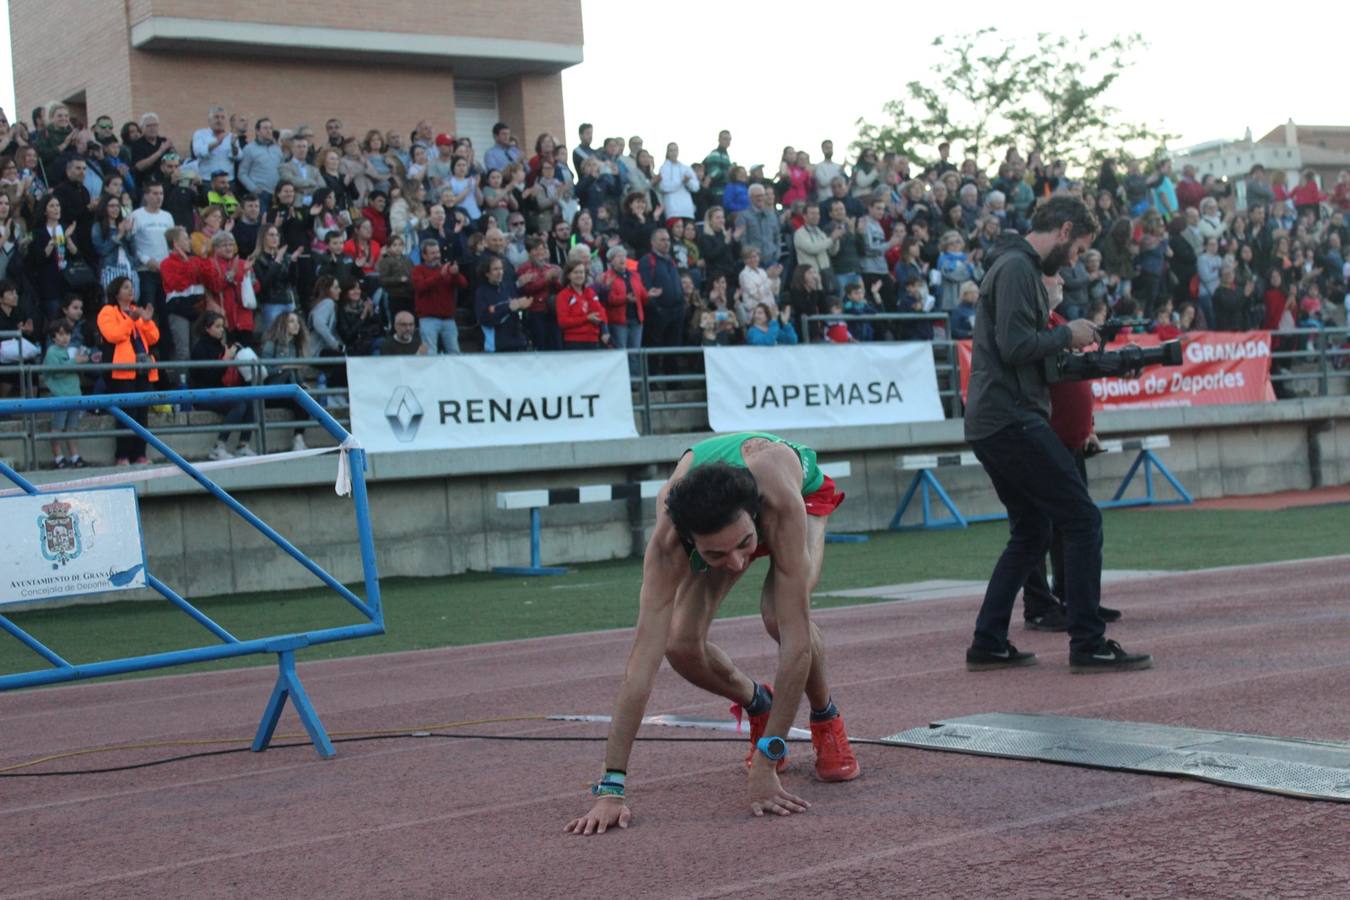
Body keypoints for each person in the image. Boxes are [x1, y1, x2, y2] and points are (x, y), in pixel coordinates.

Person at [564, 432, 861, 836]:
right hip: (726, 520)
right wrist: (611, 787)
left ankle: (826, 719)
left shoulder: (777, 500)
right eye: (716, 556)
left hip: (800, 499)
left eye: (744, 547)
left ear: (754, 517)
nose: (738, 564)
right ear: (689, 542)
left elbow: (794, 647)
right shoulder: (668, 541)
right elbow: (640, 667)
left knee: (780, 616)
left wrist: (766, 761)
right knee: (679, 643)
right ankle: (758, 704)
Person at [963, 195, 1151, 673]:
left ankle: (988, 641)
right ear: (1064, 230)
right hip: (1012, 418)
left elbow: (1041, 361)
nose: (1072, 263)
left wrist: (1106, 361)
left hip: (997, 419)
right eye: (1076, 250)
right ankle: (1088, 642)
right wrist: (1071, 333)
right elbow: (1016, 347)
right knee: (1083, 520)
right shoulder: (1017, 269)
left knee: (1031, 532)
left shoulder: (1012, 265)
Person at [1019, 273, 1122, 631]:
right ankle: (1040, 604)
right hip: (1044, 440)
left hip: (1069, 440)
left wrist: (1087, 427)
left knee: (1071, 525)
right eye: (1053, 277)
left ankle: (1073, 598)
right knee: (1038, 527)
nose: (1062, 279)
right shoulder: (1034, 326)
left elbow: (1073, 378)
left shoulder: (1058, 322)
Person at [96, 275, 159, 465]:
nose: (130, 291)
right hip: (121, 372)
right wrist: (131, 320)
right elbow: (113, 335)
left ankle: (140, 454)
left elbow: (154, 337)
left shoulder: (135, 311)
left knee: (142, 413)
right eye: (125, 287)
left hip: (142, 369)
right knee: (126, 414)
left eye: (131, 287)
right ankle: (122, 456)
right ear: (116, 292)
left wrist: (146, 321)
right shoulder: (107, 311)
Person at [189, 311, 257, 460]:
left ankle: (243, 445)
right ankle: (218, 446)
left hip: (220, 391)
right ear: (207, 328)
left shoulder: (221, 347)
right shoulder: (199, 349)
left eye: (222, 326)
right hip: (203, 395)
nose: (221, 330)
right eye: (217, 326)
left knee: (250, 399)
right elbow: (207, 378)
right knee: (239, 405)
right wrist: (225, 361)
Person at [260, 310, 313, 450]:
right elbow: (263, 371)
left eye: (297, 322)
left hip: (286, 390)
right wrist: (283, 366)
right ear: (283, 325)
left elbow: (293, 373)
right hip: (270, 391)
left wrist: (301, 384)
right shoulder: (271, 345)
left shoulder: (294, 347)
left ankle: (298, 437)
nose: (296, 325)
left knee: (306, 398)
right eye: (291, 321)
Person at [41, 320, 89, 468]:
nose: (64, 337)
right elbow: (56, 370)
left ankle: (75, 456)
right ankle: (58, 457)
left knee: (72, 427)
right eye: (60, 334)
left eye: (67, 334)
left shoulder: (71, 351)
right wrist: (76, 361)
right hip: (60, 396)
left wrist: (81, 360)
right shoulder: (52, 352)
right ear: (53, 336)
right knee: (57, 427)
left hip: (74, 395)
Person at [411, 238, 467, 354]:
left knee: (455, 352)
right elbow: (420, 286)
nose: (437, 256)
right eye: (432, 253)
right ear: (424, 255)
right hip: (428, 319)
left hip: (448, 319)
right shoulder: (418, 270)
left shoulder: (446, 269)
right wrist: (440, 275)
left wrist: (455, 274)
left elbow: (464, 284)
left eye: (438, 252)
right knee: (430, 353)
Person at [598, 245, 647, 373]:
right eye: (618, 256)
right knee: (621, 354)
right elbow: (608, 300)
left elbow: (642, 294)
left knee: (634, 353)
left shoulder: (635, 275)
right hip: (619, 322)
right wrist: (625, 299)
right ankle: (622, 383)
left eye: (624, 256)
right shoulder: (606, 277)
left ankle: (634, 383)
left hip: (636, 320)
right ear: (611, 260)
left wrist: (649, 295)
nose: (622, 259)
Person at [475, 255, 530, 352]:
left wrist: (522, 307)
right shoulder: (481, 292)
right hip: (497, 346)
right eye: (495, 269)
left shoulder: (508, 288)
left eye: (501, 268)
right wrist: (508, 308)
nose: (500, 272)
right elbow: (484, 319)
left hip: (517, 343)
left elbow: (518, 312)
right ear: (487, 273)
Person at [555, 259, 608, 349]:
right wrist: (586, 318)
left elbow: (600, 312)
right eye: (575, 272)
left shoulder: (590, 292)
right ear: (568, 275)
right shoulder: (562, 295)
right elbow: (563, 322)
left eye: (581, 272)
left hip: (593, 340)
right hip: (574, 342)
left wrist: (605, 330)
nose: (579, 275)